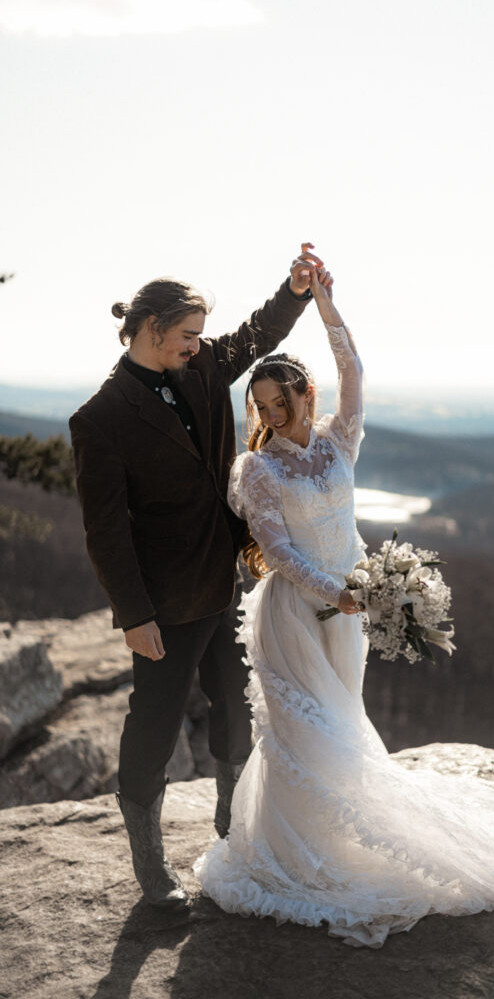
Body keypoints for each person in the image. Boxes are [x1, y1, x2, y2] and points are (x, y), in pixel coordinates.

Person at [194, 266, 494, 990]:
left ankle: (333, 835)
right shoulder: (256, 469)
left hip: (346, 617)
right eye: (264, 406)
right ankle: (295, 855)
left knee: (342, 728)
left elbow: (355, 369)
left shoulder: (340, 442)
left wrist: (326, 303)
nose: (276, 415)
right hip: (295, 617)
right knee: (303, 734)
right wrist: (336, 591)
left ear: (306, 394)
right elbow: (274, 551)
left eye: (285, 400)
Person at [70, 245, 327, 909]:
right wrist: (133, 614)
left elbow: (256, 335)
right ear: (151, 329)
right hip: (163, 601)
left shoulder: (205, 362)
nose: (199, 344)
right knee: (153, 721)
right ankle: (150, 862)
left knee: (234, 702)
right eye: (186, 334)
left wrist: (295, 291)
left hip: (228, 578)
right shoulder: (100, 419)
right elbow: (106, 528)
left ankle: (228, 819)